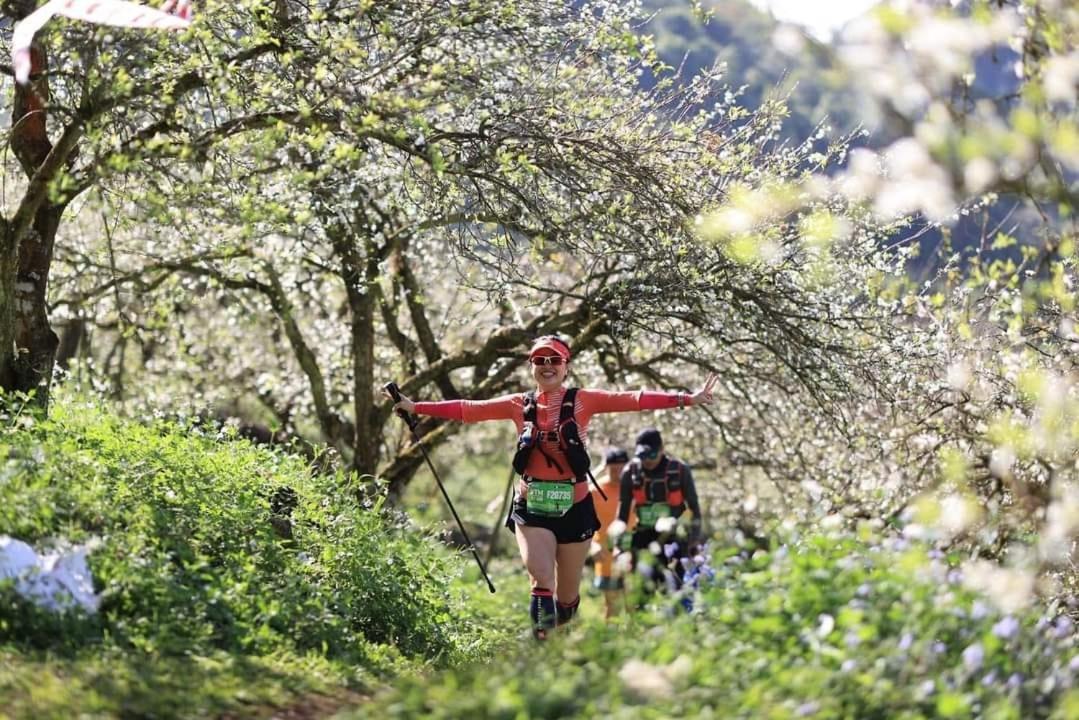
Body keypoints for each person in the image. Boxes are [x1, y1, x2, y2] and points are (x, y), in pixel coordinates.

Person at [385, 335, 718, 639]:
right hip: (533, 509)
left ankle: (558, 630)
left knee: (568, 596)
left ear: (566, 367)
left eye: (554, 360)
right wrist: (417, 408)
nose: (547, 366)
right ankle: (540, 643)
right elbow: (469, 410)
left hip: (575, 510)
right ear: (531, 367)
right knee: (541, 577)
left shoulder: (584, 400)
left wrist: (686, 399)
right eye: (539, 361)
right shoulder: (519, 404)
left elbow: (633, 399)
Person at [616, 427, 703, 599]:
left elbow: (694, 508)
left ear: (662, 450)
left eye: (652, 455)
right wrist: (619, 544)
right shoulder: (630, 473)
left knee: (678, 589)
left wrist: (694, 540)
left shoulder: (680, 471)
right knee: (642, 590)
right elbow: (623, 512)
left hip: (675, 539)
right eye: (643, 456)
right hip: (644, 539)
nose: (647, 461)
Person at [590, 446, 636, 619]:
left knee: (635, 607)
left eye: (621, 468)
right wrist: (592, 546)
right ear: (606, 467)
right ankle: (610, 645)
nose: (618, 473)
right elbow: (577, 493)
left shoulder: (636, 487)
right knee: (611, 609)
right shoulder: (595, 490)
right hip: (606, 558)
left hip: (633, 556)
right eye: (613, 469)